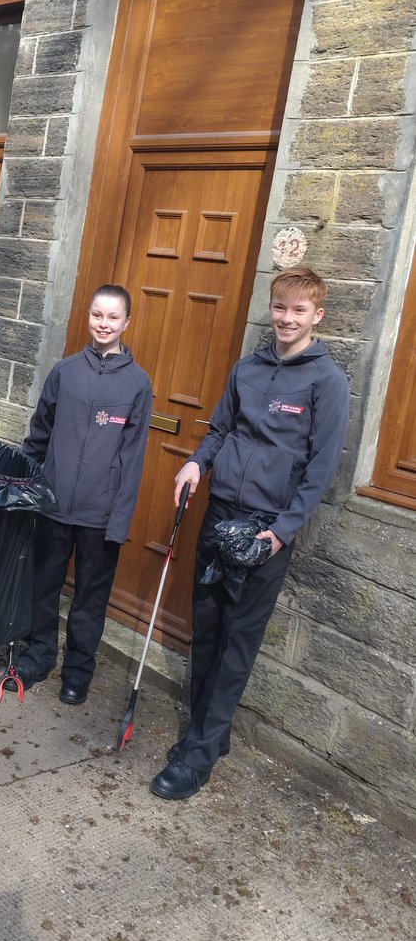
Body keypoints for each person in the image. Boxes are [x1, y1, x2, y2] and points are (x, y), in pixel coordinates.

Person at [150, 266, 350, 800]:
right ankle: (206, 736)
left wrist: (282, 533)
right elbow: (220, 430)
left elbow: (321, 469)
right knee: (207, 627)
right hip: (220, 515)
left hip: (264, 532)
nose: (286, 319)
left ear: (317, 316)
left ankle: (197, 757)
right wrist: (196, 464)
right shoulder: (248, 368)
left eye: (298, 311)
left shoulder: (327, 382)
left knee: (238, 641)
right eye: (280, 308)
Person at [9, 285, 153, 705]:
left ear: (127, 322)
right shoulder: (65, 372)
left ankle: (78, 670)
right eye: (97, 315)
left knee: (90, 598)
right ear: (87, 317)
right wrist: (23, 489)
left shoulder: (138, 384)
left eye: (112, 318)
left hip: (100, 515)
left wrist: (120, 521)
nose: (103, 324)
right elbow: (38, 436)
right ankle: (38, 657)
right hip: (53, 505)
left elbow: (132, 459)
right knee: (43, 586)